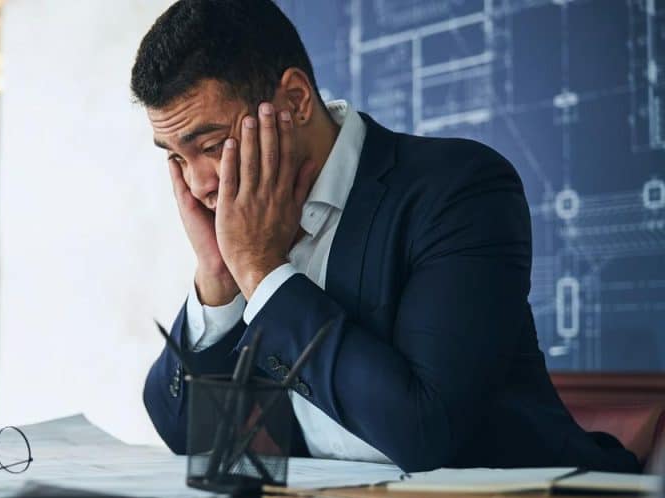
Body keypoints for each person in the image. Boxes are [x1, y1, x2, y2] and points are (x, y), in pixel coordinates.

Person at [132, 0, 639, 473]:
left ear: (295, 100)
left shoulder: (457, 190)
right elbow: (192, 442)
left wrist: (263, 273)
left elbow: (424, 434)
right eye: (176, 157)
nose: (199, 185)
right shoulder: (239, 242)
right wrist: (219, 277)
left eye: (213, 145)